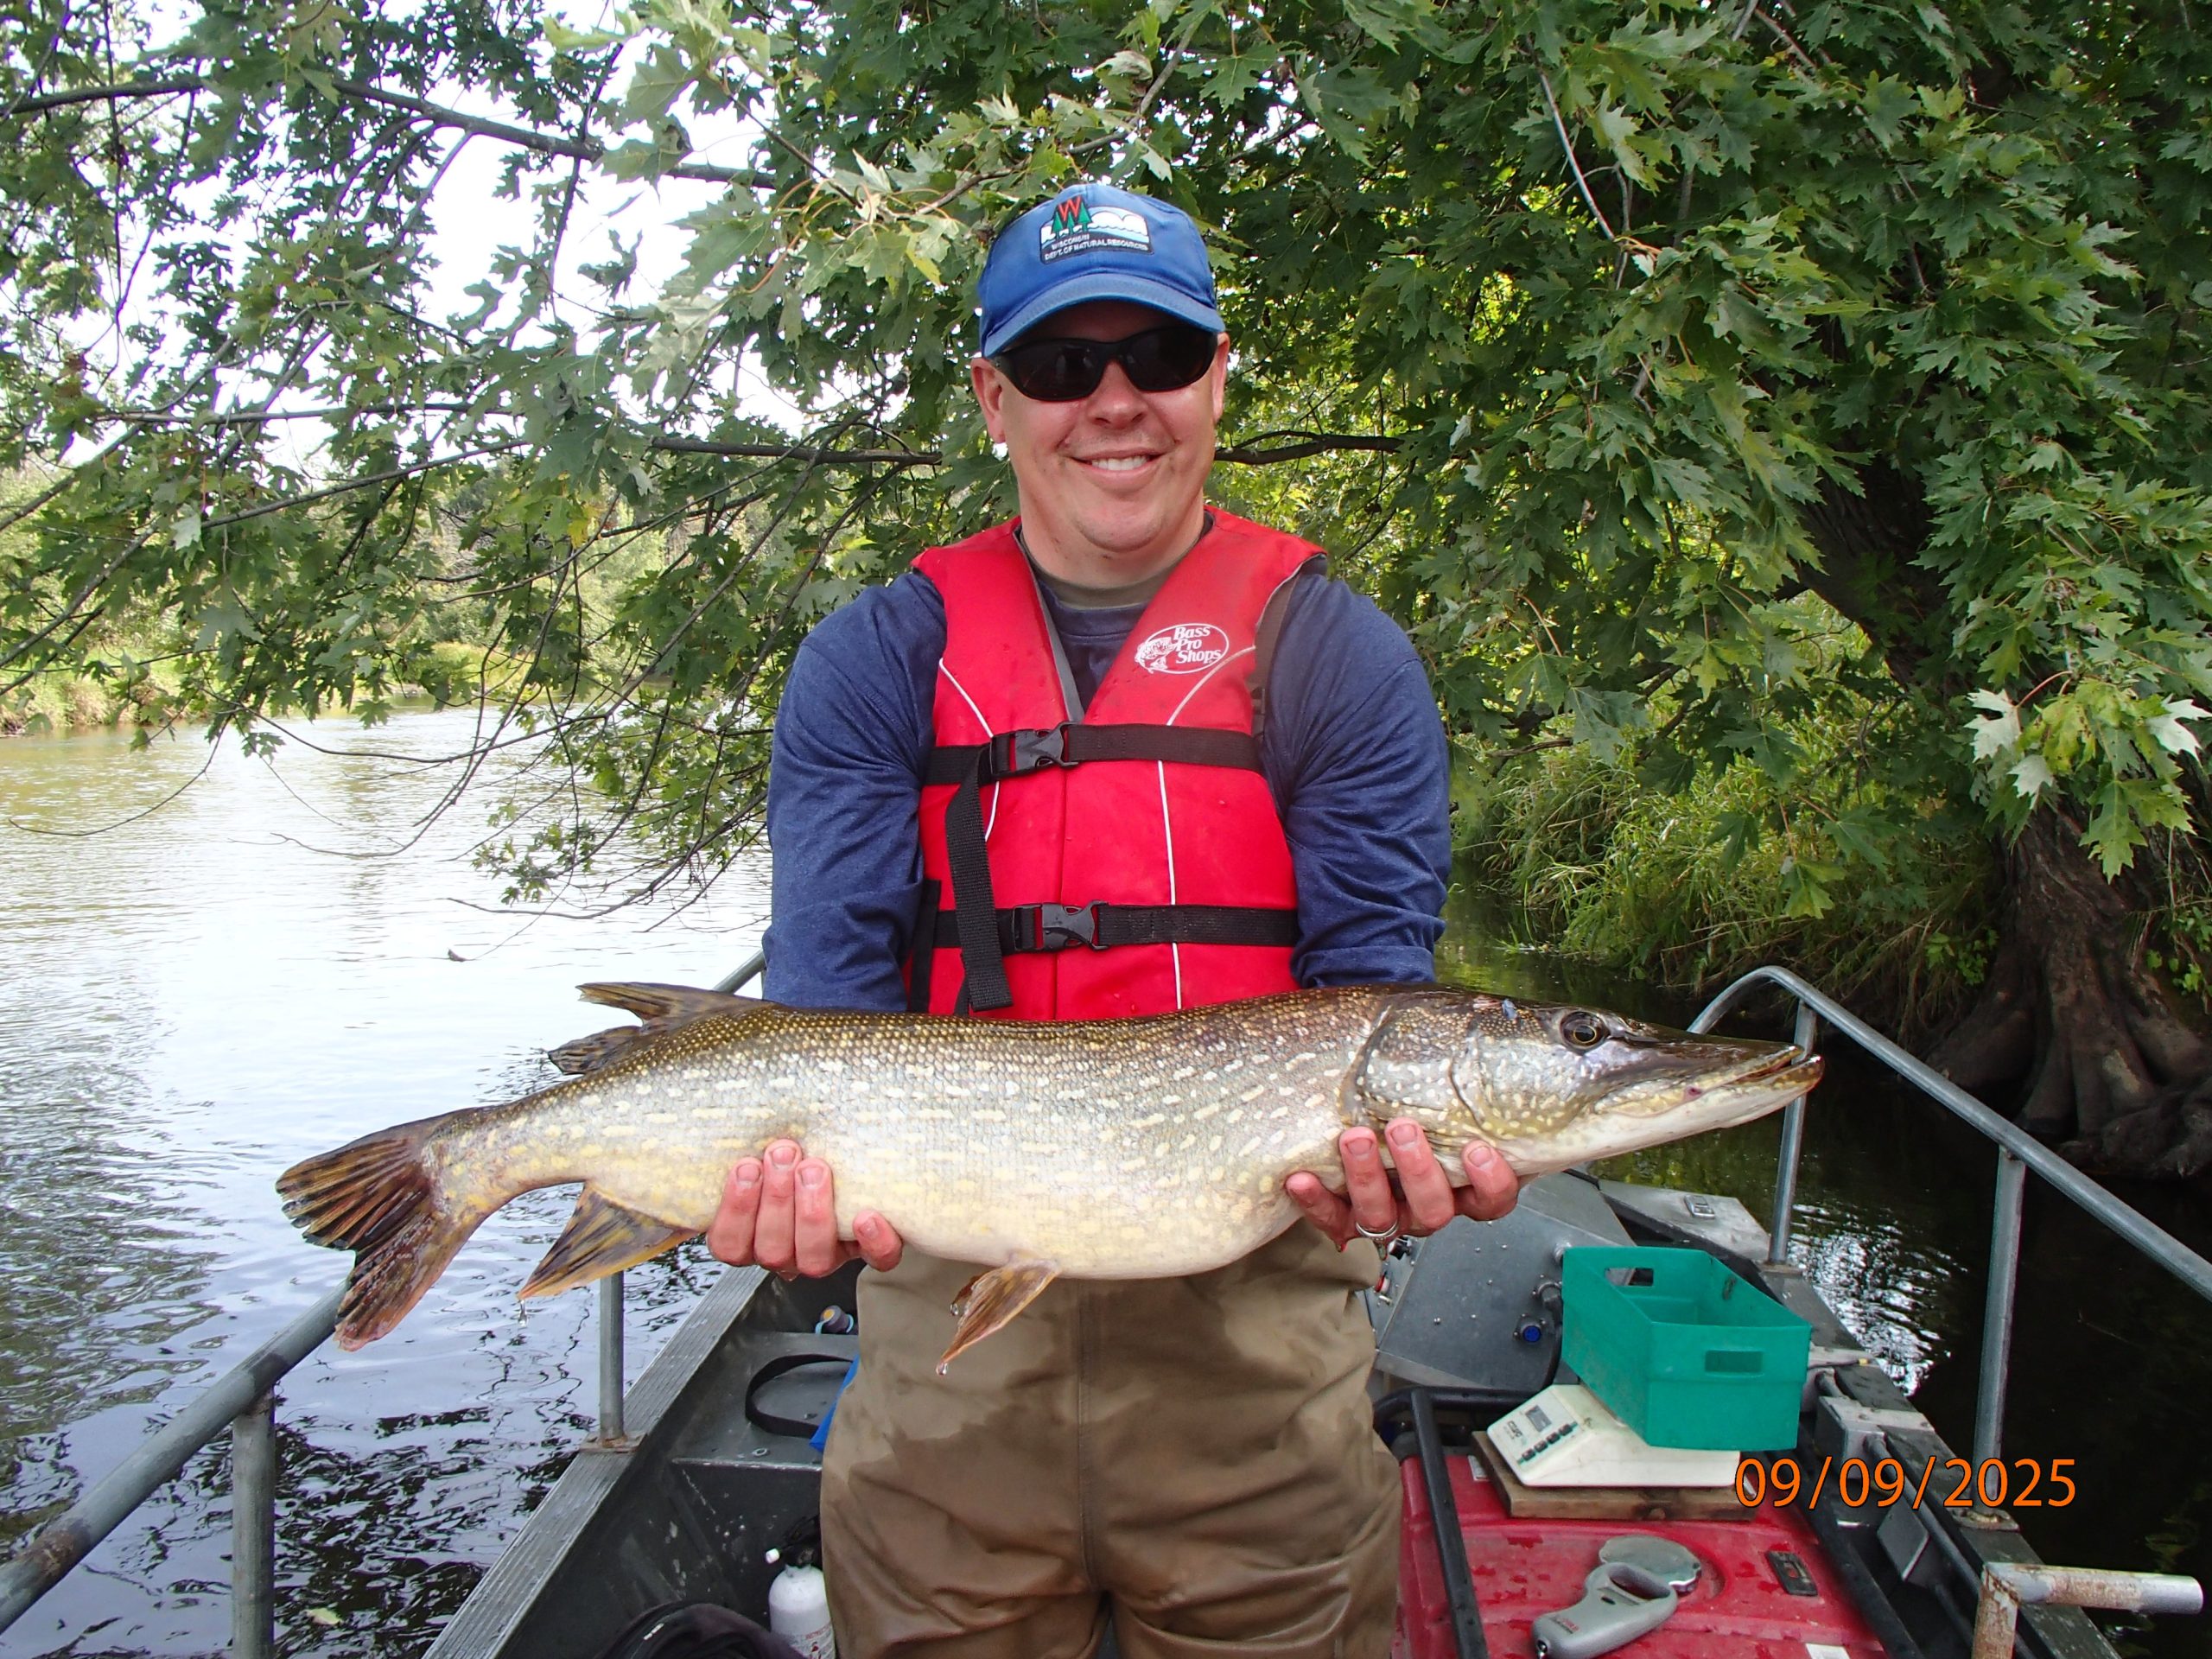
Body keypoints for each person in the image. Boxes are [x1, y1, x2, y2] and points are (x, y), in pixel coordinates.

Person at [705, 181, 1520, 1659]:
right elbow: (824, 1009)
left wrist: (1393, 1172)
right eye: (1067, 366)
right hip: (944, 1413)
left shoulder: (1337, 655)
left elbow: (1375, 1001)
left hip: (1257, 1412)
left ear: (1217, 377)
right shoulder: (875, 659)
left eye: (1155, 355)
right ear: (995, 397)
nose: (1116, 402)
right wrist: (789, 1220)